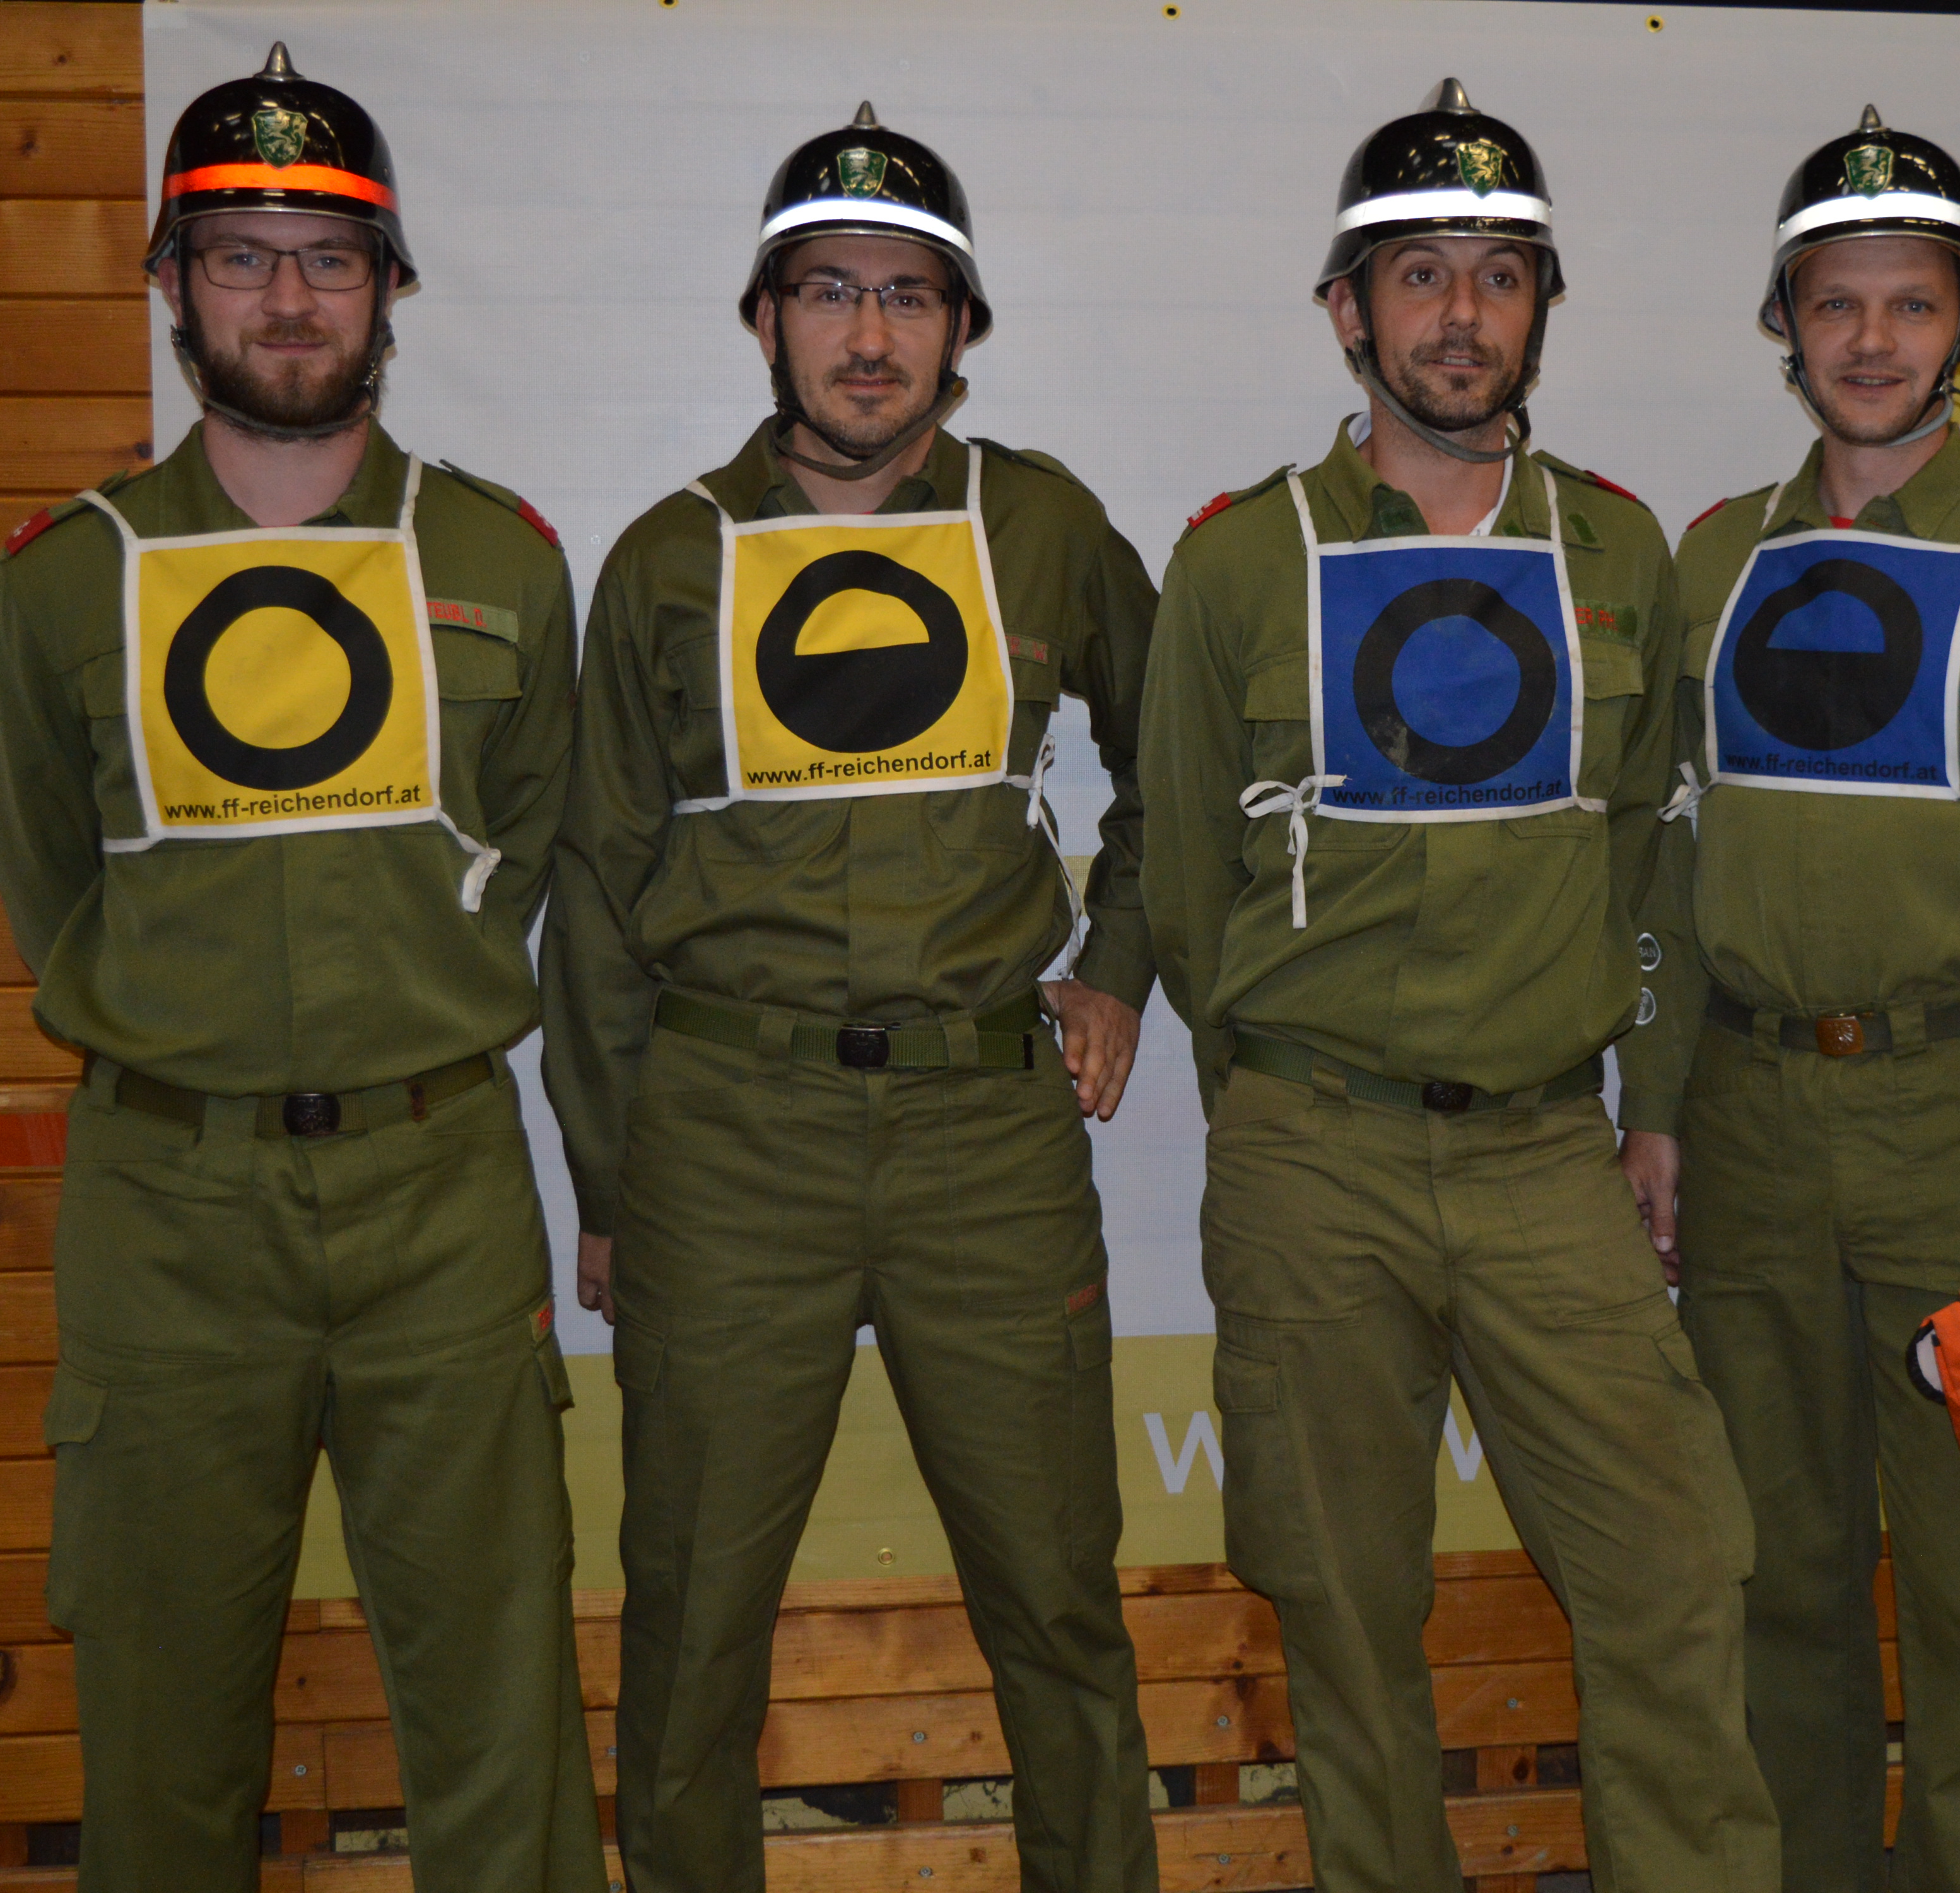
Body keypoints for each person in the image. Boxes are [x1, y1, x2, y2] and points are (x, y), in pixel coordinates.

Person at [0, 44, 601, 1892]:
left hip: (440, 1192)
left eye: (328, 257)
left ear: (390, 288)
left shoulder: (500, 557)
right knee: (162, 1737)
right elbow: (52, 892)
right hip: (170, 1213)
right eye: (241, 256)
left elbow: (533, 852)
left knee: (501, 1725)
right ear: (171, 284)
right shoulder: (61, 582)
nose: (289, 298)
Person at [1140, 78, 1779, 1893]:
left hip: (1543, 1159)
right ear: (1348, 310)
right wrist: (1275, 1097)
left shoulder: (1619, 551)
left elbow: (1648, 848)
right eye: (1419, 274)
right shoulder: (1241, 556)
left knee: (1674, 1570)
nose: (1460, 315)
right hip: (1313, 1153)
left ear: (1541, 310)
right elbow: (1182, 869)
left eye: (1500, 276)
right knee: (1346, 1612)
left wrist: (1639, 1103)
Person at [539, 105, 1159, 1893]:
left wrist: (1118, 966)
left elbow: (1177, 766)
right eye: (829, 292)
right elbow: (595, 893)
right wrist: (607, 1181)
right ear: (766, 318)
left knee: (1059, 1600)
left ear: (960, 327)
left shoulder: (1042, 523)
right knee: (691, 1621)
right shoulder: (667, 558)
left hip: (989, 1130)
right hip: (728, 1141)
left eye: (908, 295)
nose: (869, 334)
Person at [1615, 106, 1960, 1893]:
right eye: (1836, 303)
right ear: (1787, 325)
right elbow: (1672, 866)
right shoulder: (1716, 560)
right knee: (1776, 1577)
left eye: (1912, 303)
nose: (1872, 340)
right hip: (1753, 1124)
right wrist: (1656, 1107)